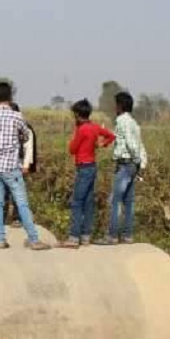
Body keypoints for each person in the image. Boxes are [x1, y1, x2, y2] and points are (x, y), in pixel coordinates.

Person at [0, 82, 50, 250]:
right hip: (10, 166)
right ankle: (34, 239)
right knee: (21, 203)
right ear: (11, 97)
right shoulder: (17, 117)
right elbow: (26, 134)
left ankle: (1, 239)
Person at [57, 99, 116, 248]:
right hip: (92, 166)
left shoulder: (81, 130)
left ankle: (74, 237)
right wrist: (102, 144)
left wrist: (74, 135)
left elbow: (72, 149)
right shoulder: (94, 127)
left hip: (83, 168)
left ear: (77, 114)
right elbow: (111, 136)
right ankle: (85, 236)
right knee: (88, 202)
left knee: (77, 202)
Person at [96, 92, 148, 245]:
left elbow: (132, 144)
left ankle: (112, 236)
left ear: (120, 106)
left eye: (116, 104)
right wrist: (140, 163)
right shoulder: (133, 123)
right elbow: (140, 144)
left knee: (115, 201)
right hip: (133, 166)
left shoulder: (122, 121)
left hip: (125, 164)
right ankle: (127, 235)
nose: (114, 108)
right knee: (129, 202)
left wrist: (135, 159)